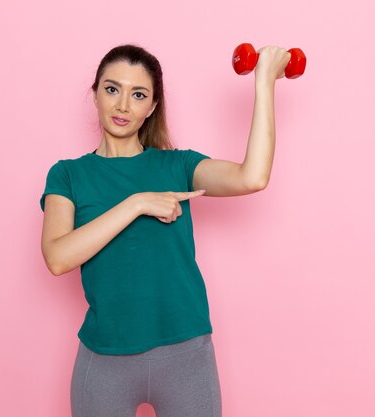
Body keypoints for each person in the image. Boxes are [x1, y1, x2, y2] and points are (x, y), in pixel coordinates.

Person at [40, 43, 290, 417]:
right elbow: (57, 258)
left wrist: (264, 82)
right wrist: (136, 203)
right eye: (112, 89)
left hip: (186, 353)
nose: (123, 105)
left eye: (138, 95)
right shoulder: (68, 174)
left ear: (152, 107)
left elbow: (252, 177)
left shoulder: (177, 165)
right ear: (94, 94)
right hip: (105, 358)